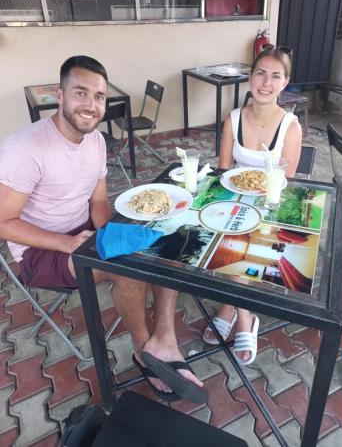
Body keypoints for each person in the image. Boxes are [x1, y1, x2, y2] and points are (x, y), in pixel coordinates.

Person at [0, 56, 205, 403]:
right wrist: (68, 243)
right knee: (127, 268)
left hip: (80, 231)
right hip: (40, 252)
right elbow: (3, 222)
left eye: (99, 97)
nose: (91, 105)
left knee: (168, 240)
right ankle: (144, 350)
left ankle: (165, 338)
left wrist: (113, 235)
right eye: (81, 93)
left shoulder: (95, 141)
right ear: (60, 96)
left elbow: (97, 202)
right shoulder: (26, 149)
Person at [203, 46, 302, 365]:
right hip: (235, 202)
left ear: (285, 83)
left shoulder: (291, 127)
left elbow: (283, 183)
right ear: (250, 77)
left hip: (271, 210)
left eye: (276, 76)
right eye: (260, 73)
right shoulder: (233, 119)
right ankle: (240, 311)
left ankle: (236, 312)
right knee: (226, 232)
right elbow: (223, 172)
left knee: (239, 241)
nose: (266, 82)